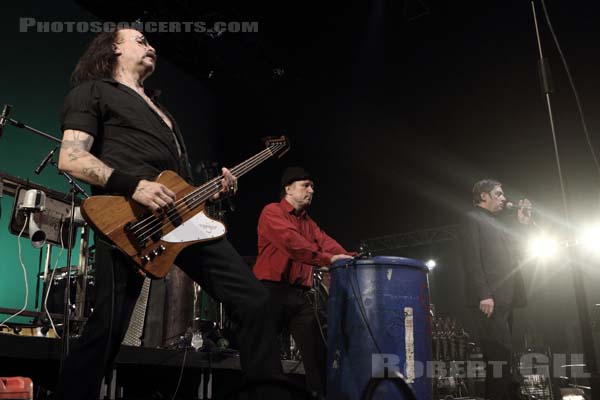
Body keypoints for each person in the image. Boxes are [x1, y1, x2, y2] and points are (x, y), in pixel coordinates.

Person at [56, 28, 285, 400]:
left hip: (179, 217)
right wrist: (135, 185)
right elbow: (72, 158)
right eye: (141, 41)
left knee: (254, 300)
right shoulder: (93, 92)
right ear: (114, 48)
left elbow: (178, 182)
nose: (152, 47)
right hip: (127, 219)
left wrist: (212, 187)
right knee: (108, 327)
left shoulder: (160, 111)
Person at [253, 166, 354, 395]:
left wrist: (352, 259)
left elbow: (327, 243)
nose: (311, 191)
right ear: (288, 189)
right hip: (270, 292)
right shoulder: (272, 212)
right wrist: (327, 259)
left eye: (313, 187)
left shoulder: (309, 223)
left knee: (317, 354)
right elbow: (292, 243)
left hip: (298, 296)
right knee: (267, 356)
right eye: (305, 186)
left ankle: (320, 395)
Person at [460, 179, 531, 400]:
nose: (503, 199)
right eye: (498, 194)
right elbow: (471, 260)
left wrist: (522, 223)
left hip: (506, 298)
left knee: (504, 356)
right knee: (498, 355)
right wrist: (484, 294)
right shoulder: (472, 218)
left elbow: (517, 252)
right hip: (490, 299)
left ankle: (508, 394)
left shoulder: (498, 224)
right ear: (484, 195)